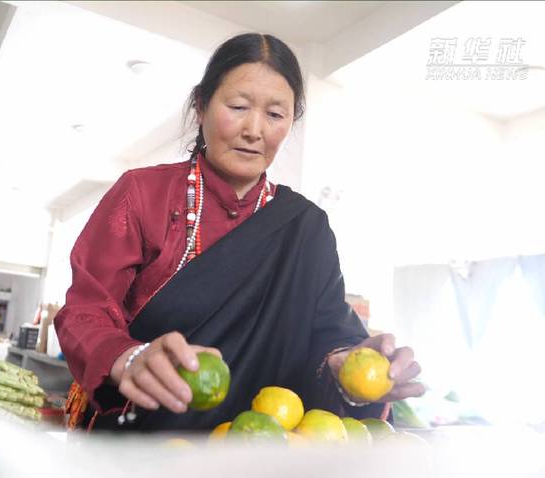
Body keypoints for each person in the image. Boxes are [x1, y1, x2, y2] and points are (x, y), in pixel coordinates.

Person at [55, 33, 425, 432]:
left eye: (275, 114)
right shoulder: (143, 194)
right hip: (137, 442)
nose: (254, 130)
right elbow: (85, 310)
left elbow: (329, 335)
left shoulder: (307, 227)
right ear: (201, 105)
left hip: (258, 445)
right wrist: (127, 357)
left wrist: (348, 366)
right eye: (238, 107)